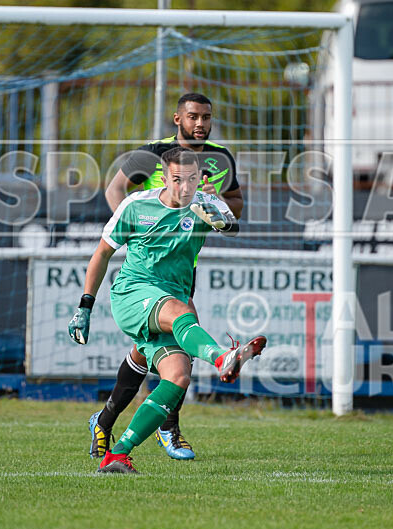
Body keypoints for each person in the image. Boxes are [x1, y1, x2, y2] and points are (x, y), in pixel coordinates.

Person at [69, 146, 266, 474]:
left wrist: (214, 204)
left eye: (191, 180)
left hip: (169, 299)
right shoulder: (137, 204)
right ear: (165, 177)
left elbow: (232, 228)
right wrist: (84, 307)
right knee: (180, 309)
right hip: (132, 295)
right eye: (177, 180)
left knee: (177, 377)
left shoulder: (204, 205)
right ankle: (221, 357)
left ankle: (117, 454)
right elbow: (102, 254)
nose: (185, 188)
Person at [88, 93, 242, 461]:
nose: (200, 123)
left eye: (206, 116)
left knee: (151, 349)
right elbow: (115, 191)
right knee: (184, 329)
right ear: (177, 119)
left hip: (181, 269)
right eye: (193, 117)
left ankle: (106, 420)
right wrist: (138, 230)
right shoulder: (151, 152)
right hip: (145, 268)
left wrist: (217, 202)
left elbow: (236, 205)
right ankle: (170, 427)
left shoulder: (221, 157)